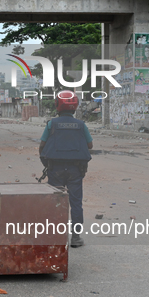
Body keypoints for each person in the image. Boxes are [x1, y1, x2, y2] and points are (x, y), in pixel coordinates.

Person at [39, 90, 93, 248]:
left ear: (57, 106)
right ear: (75, 107)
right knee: (76, 203)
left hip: (55, 169)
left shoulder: (51, 124)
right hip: (76, 171)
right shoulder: (81, 125)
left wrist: (46, 164)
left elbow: (42, 146)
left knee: (56, 201)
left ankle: (55, 237)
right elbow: (90, 145)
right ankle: (75, 238)